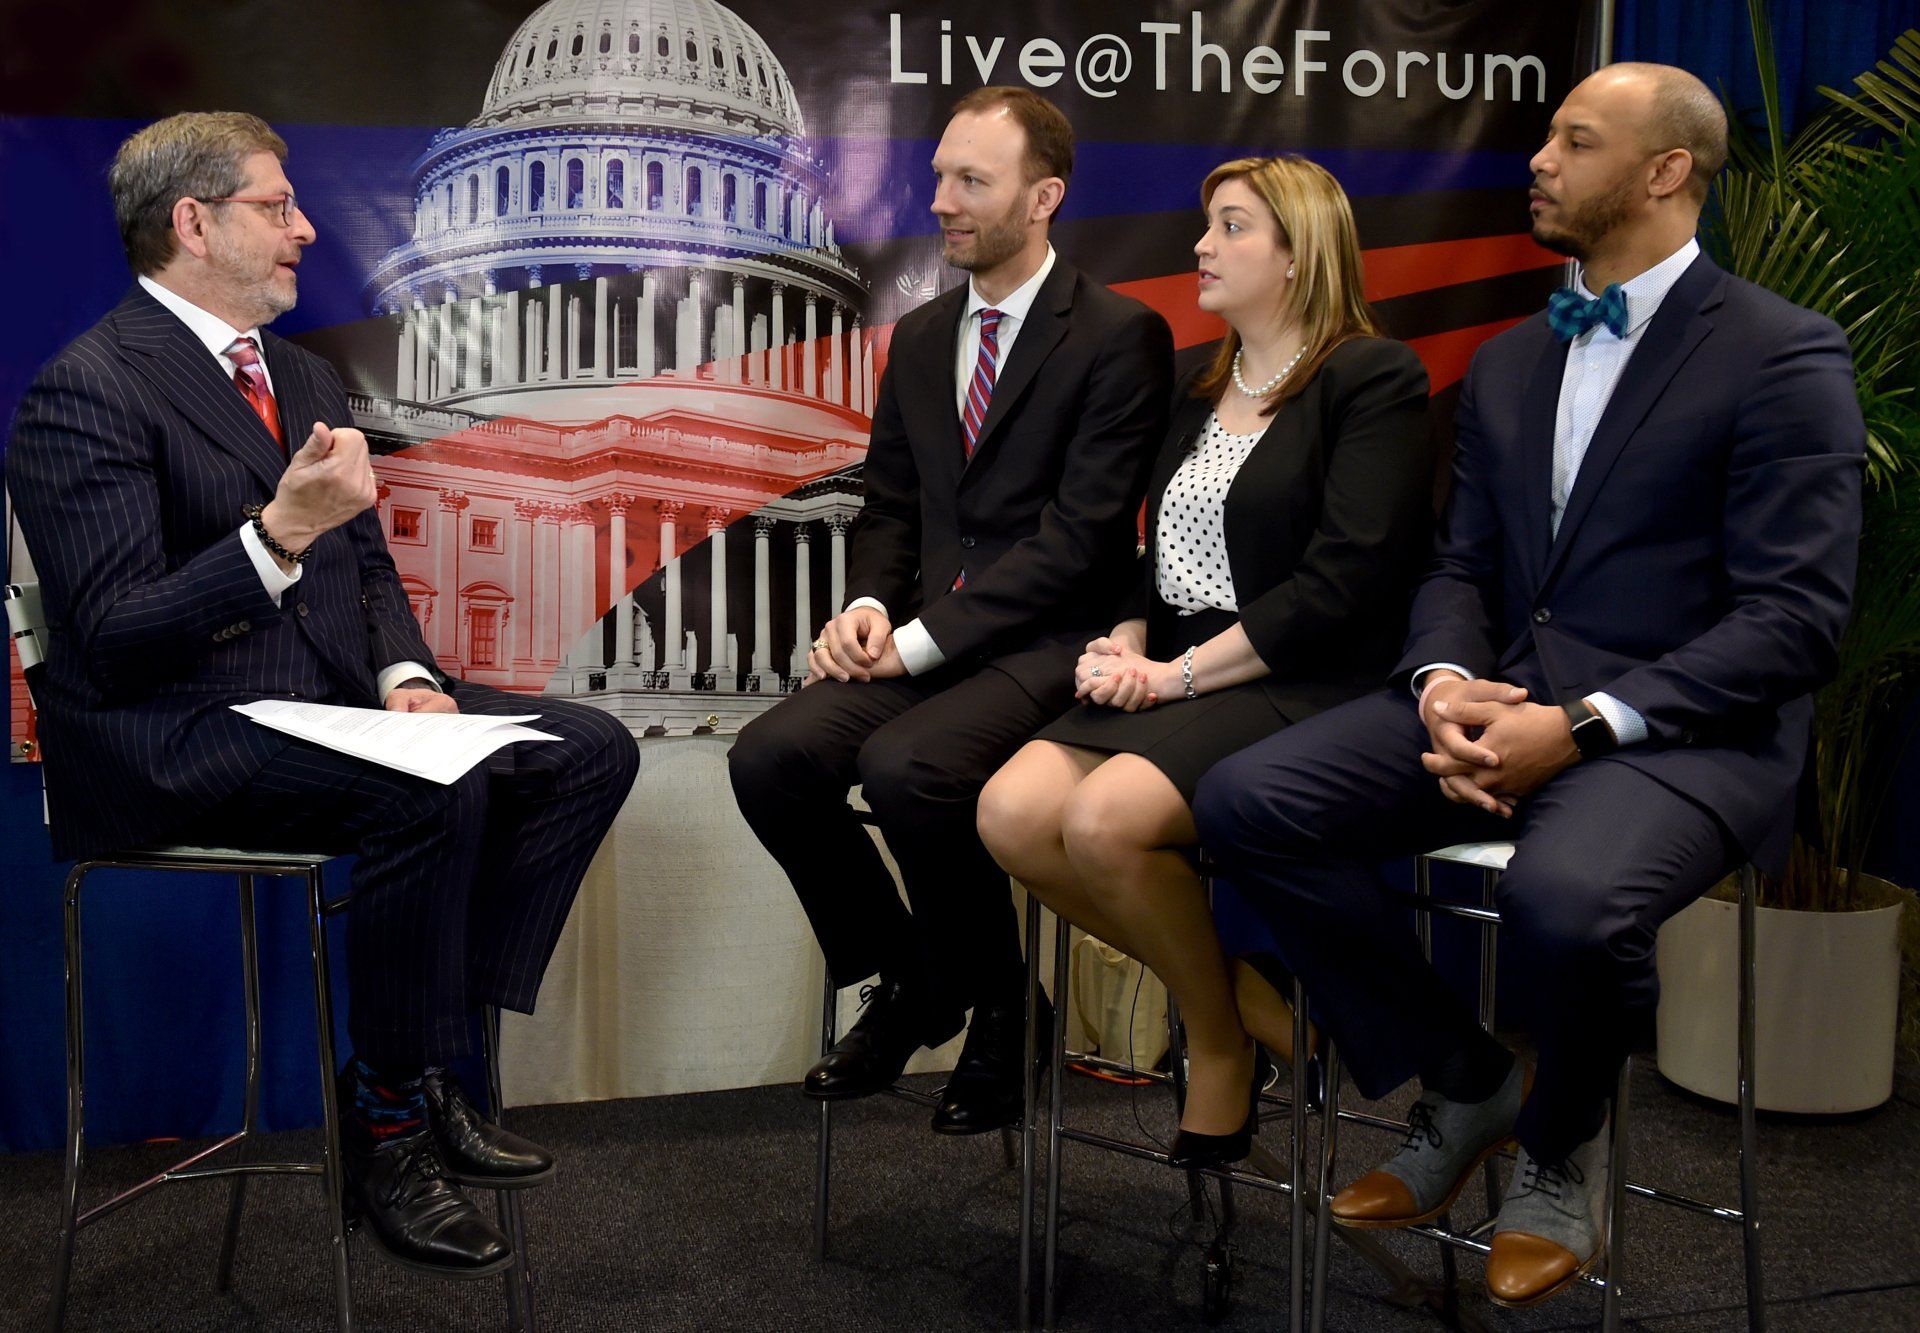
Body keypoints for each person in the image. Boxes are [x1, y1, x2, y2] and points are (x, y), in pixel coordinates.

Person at [1192, 63, 1862, 1307]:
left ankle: (1559, 1146)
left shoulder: (1783, 354)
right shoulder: (1508, 364)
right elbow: (1463, 567)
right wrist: (1445, 680)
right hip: (1499, 705)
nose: (1539, 159)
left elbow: (1794, 621)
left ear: (1666, 172)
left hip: (1683, 735)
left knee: (1566, 904)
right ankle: (1464, 1078)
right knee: (1242, 802)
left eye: (1573, 139)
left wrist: (1585, 723)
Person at [7, 112, 640, 1278]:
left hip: (325, 710)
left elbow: (368, 568)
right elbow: (113, 637)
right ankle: (392, 1119)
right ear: (192, 223)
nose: (305, 228)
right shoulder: (83, 390)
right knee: (427, 795)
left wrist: (405, 676)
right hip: (172, 735)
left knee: (588, 748)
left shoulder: (297, 373)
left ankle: (429, 1058)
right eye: (274, 206)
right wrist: (273, 533)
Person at [727, 87, 1173, 1134]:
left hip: (1050, 640)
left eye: (972, 180)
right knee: (770, 759)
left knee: (906, 766)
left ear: (1044, 197)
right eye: (938, 176)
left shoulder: (1120, 335)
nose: (942, 200)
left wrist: (919, 642)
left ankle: (997, 1006)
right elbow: (890, 504)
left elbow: (1078, 541)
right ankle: (926, 979)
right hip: (930, 641)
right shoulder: (924, 336)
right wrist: (874, 605)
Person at [976, 156, 1434, 1167]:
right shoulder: (1206, 384)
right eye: (1207, 224)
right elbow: (1154, 552)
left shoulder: (1373, 378)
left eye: (1230, 227)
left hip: (1303, 679)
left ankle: (1219, 1048)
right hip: (1181, 672)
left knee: (1102, 823)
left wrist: (1172, 678)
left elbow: (1341, 587)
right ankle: (1243, 1003)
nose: (1201, 245)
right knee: (1009, 813)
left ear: (1298, 252)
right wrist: (1131, 637)